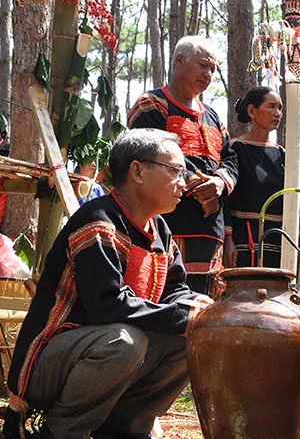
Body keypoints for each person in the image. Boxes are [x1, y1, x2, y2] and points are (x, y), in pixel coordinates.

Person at [3, 128, 213, 439]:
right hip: (47, 362)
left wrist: (199, 309)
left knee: (193, 335)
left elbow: (175, 289)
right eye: (175, 171)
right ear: (138, 171)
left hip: (101, 354)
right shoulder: (98, 222)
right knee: (125, 341)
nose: (184, 182)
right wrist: (186, 315)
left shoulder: (160, 231)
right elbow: (107, 306)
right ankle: (62, 432)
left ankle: (121, 430)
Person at [128, 35, 238, 295]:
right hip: (167, 220)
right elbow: (150, 151)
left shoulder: (212, 115)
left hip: (210, 228)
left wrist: (219, 183)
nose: (209, 74)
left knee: (206, 298)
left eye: (212, 69)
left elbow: (230, 158)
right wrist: (200, 189)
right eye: (203, 65)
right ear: (179, 61)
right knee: (163, 290)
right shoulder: (151, 104)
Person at [223, 86, 284, 268]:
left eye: (280, 108)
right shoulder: (235, 148)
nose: (277, 113)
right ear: (252, 111)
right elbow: (226, 199)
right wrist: (228, 240)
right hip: (244, 238)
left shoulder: (282, 154)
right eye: (271, 106)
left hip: (277, 239)